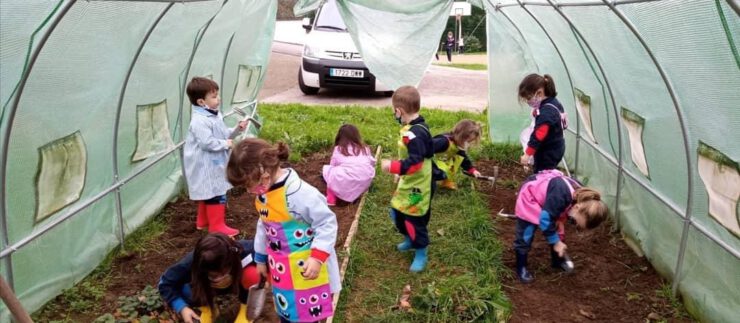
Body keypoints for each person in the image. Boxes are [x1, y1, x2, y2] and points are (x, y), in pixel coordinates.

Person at [226, 139, 340, 323]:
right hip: (282, 269)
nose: (248, 191)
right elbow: (264, 225)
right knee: (287, 310)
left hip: (307, 269)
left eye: (249, 184)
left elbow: (326, 222)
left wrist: (317, 257)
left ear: (263, 172)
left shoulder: (299, 193)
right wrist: (261, 259)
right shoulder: (265, 194)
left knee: (307, 314)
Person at [513, 169, 608, 283]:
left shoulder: (584, 197)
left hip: (552, 201)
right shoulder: (561, 194)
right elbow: (545, 220)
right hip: (531, 197)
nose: (573, 223)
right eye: (574, 221)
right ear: (577, 208)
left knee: (559, 232)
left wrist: (558, 228)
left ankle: (557, 261)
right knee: (526, 233)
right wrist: (556, 242)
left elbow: (561, 209)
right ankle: (521, 267)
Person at [380, 86, 434, 273]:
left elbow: (415, 163)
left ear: (398, 111)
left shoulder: (416, 134)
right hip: (410, 180)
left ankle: (421, 250)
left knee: (413, 216)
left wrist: (392, 166)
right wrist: (401, 172)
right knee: (397, 211)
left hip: (418, 185)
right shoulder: (412, 127)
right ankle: (410, 239)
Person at [184, 77, 246, 236]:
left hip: (213, 161)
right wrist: (226, 144)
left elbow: (224, 134)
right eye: (213, 96)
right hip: (204, 164)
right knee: (216, 192)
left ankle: (202, 221)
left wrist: (237, 129)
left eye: (217, 95)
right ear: (201, 102)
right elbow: (207, 143)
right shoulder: (200, 121)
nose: (218, 99)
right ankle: (217, 226)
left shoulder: (213, 115)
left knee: (208, 191)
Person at [158, 233, 261, 323]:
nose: (219, 279)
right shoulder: (191, 263)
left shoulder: (247, 251)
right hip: (207, 287)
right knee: (184, 289)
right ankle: (208, 309)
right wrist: (182, 308)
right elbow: (165, 283)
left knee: (252, 275)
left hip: (239, 283)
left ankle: (246, 310)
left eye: (223, 272)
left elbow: (271, 257)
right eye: (214, 275)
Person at [517, 73, 568, 173]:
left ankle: (543, 187)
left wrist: (527, 154)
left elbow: (538, 135)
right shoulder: (553, 103)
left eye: (528, 98)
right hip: (556, 147)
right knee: (546, 172)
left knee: (542, 174)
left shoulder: (546, 113)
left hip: (548, 152)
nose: (528, 101)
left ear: (539, 93)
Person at [322, 124, 376, 206]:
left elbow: (332, 165)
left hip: (347, 178)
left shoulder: (339, 149)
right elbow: (372, 162)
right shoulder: (365, 148)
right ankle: (356, 194)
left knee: (329, 171)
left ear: (340, 137)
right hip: (364, 178)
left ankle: (331, 199)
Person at [433, 119, 483, 190]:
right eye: (467, 141)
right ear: (461, 136)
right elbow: (425, 148)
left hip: (442, 159)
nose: (468, 144)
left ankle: (446, 181)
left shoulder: (458, 144)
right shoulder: (443, 142)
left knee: (457, 159)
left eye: (470, 142)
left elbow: (463, 159)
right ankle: (430, 179)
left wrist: (472, 170)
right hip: (429, 161)